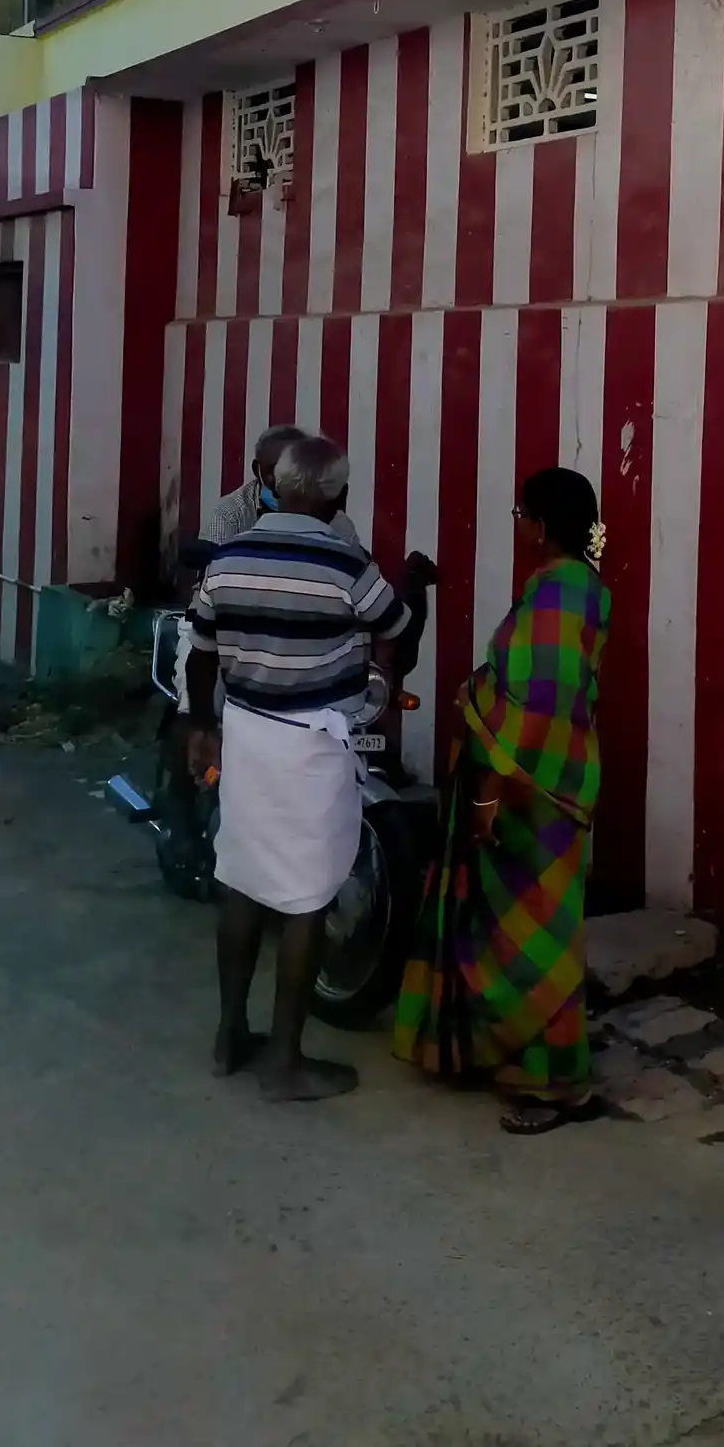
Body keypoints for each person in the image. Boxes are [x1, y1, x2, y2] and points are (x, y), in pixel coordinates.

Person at [186, 433, 430, 1101]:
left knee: (240, 882)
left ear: (274, 487)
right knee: (307, 900)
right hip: (311, 746)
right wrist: (375, 675)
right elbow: (397, 625)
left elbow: (201, 650)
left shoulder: (230, 556)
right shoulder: (347, 564)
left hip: (245, 736)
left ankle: (230, 1035)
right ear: (337, 496)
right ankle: (285, 1063)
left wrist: (202, 726)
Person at [394, 466, 610, 1136]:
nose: (519, 529)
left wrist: (491, 789)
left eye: (521, 516)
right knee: (534, 934)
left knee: (534, 941)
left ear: (542, 526)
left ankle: (554, 1083)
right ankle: (529, 1057)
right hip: (556, 783)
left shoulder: (557, 595)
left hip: (531, 793)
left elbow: (538, 705)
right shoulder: (580, 588)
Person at [204, 424, 304, 545]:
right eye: (273, 469)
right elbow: (215, 561)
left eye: (290, 471)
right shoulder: (229, 513)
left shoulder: (322, 506)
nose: (281, 479)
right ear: (257, 470)